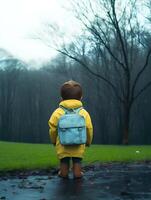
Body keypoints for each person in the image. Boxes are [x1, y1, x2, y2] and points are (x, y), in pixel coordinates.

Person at [48, 80, 93, 179]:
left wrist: (54, 141)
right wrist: (88, 141)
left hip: (63, 145)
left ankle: (63, 173)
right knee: (77, 160)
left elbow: (52, 129)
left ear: (61, 98)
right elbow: (89, 128)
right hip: (79, 143)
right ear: (81, 98)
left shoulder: (57, 112)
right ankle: (77, 173)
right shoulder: (83, 113)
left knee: (64, 160)